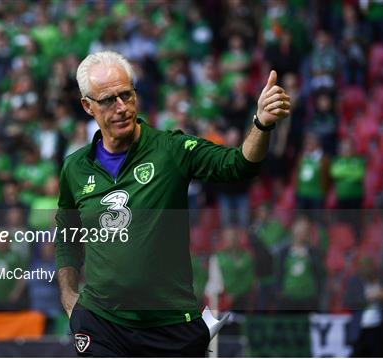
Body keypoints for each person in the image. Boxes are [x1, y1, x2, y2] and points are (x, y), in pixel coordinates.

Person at [55, 51, 290, 357]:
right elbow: (66, 237)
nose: (122, 107)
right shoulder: (74, 168)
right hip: (101, 324)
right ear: (88, 106)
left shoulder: (172, 150)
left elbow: (239, 165)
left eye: (126, 95)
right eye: (109, 100)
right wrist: (69, 298)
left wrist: (261, 124)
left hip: (170, 325)